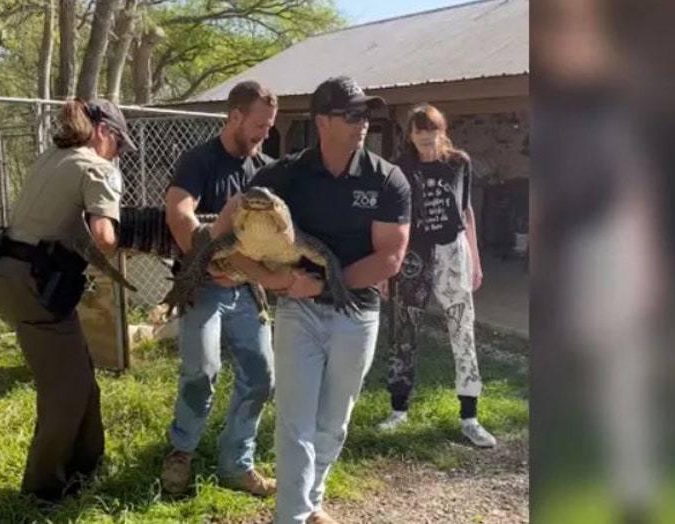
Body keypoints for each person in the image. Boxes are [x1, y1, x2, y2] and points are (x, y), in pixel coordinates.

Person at [211, 76, 411, 524]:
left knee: (334, 422)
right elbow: (229, 230)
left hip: (356, 315)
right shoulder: (285, 175)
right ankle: (293, 516)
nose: (364, 122)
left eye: (367, 114)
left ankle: (309, 498)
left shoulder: (387, 179)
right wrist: (274, 281)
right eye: (353, 114)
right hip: (297, 312)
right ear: (323, 121)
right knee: (294, 423)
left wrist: (317, 285)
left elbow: (389, 259)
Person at [0, 97, 137, 501]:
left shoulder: (52, 156)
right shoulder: (96, 167)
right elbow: (106, 240)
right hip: (36, 285)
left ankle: (86, 468)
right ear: (105, 133)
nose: (120, 154)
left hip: (12, 275)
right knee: (67, 391)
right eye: (120, 145)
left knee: (81, 380)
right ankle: (42, 490)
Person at [161, 80, 290, 496]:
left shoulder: (265, 170)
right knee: (202, 372)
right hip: (204, 286)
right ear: (235, 116)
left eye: (269, 127)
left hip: (248, 288)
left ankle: (237, 463)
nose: (264, 134)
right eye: (259, 125)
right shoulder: (199, 160)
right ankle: (181, 452)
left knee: (261, 377)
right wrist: (212, 254)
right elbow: (179, 217)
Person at [376, 103, 497, 449]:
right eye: (420, 133)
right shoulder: (399, 169)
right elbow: (390, 219)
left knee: (463, 330)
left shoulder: (459, 163)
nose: (427, 140)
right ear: (410, 134)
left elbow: (466, 211)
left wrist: (474, 259)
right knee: (403, 331)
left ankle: (469, 417)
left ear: (443, 131)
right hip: (412, 255)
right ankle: (399, 410)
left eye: (433, 133)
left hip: (452, 251)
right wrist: (386, 268)